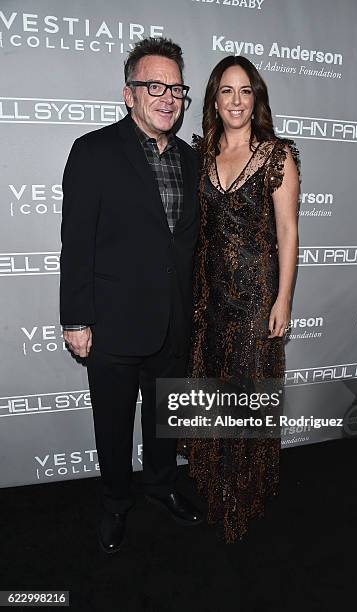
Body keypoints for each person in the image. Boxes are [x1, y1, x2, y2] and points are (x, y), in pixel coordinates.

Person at [60, 37, 202, 554]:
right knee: (114, 428)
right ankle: (116, 503)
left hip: (173, 322)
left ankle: (162, 485)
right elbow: (76, 242)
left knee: (166, 422)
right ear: (129, 93)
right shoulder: (94, 151)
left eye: (176, 88)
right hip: (114, 323)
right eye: (154, 85)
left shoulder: (191, 160)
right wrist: (76, 318)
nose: (167, 97)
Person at [177, 55, 300, 543]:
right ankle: (216, 485)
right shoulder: (201, 154)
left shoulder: (276, 156)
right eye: (226, 91)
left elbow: (288, 231)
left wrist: (283, 298)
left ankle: (242, 496)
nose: (235, 100)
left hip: (254, 297)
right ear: (213, 99)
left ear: (256, 99)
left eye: (245, 91)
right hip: (207, 299)